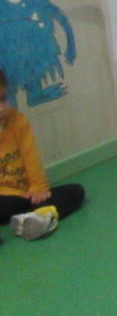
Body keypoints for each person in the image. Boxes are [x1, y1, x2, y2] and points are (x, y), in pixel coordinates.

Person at [0, 70, 85, 241]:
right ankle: (30, 216)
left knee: (75, 191)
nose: (2, 108)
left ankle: (39, 217)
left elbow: (30, 156)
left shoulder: (17, 120)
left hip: (25, 197)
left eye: (2, 99)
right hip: (4, 200)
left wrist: (38, 187)